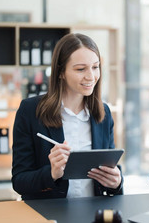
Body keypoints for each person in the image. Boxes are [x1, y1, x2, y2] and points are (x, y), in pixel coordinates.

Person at [12, 33, 123, 200]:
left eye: (95, 67)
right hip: (49, 215)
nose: (91, 76)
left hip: (92, 213)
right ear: (60, 72)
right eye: (80, 69)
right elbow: (20, 182)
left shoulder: (103, 113)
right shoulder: (30, 111)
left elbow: (109, 173)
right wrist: (51, 173)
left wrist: (116, 182)